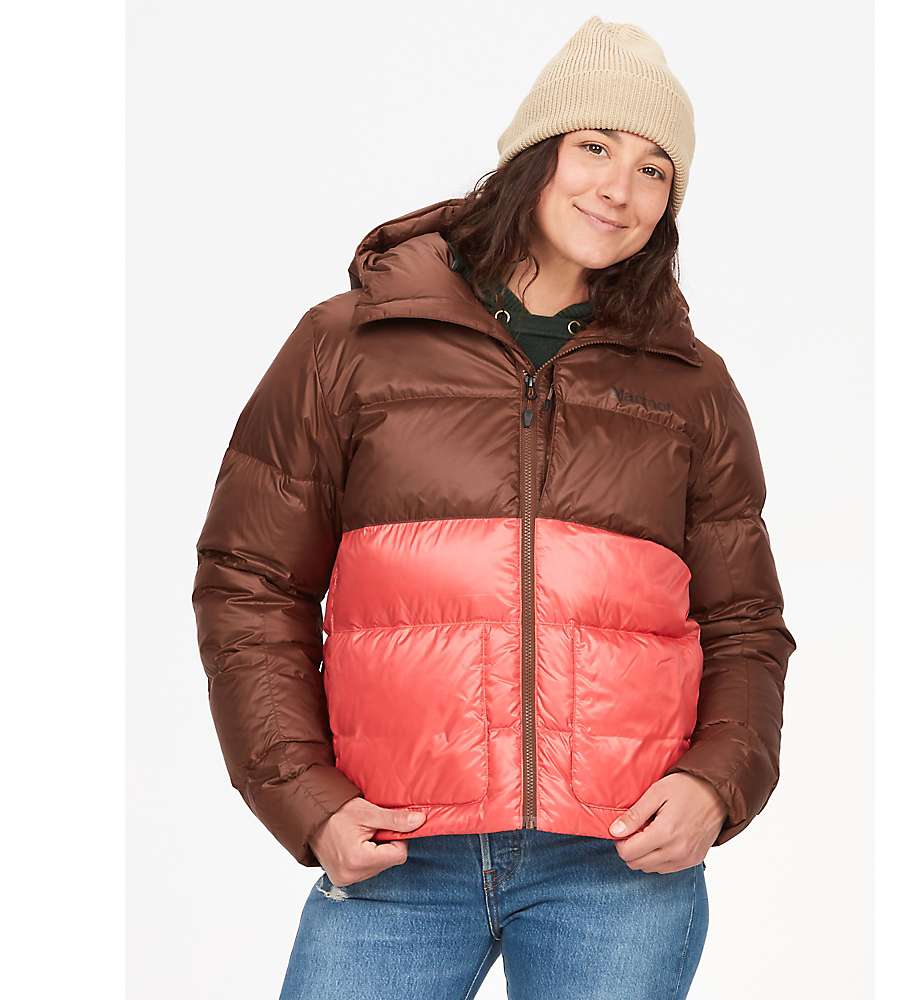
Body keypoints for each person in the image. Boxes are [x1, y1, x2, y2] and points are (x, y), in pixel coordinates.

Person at [191, 15, 796, 999]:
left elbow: (745, 621)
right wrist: (306, 798)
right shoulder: (351, 343)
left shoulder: (689, 384)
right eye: (594, 147)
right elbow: (249, 583)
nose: (620, 187)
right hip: (397, 850)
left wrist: (715, 781)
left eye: (654, 168)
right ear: (532, 157)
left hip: (617, 860)